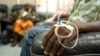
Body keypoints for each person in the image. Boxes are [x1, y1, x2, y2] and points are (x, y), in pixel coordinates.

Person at [21, 0, 100, 56]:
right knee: (39, 25)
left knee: (31, 32)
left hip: (78, 29)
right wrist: (58, 20)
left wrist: (76, 26)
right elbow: (72, 15)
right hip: (66, 24)